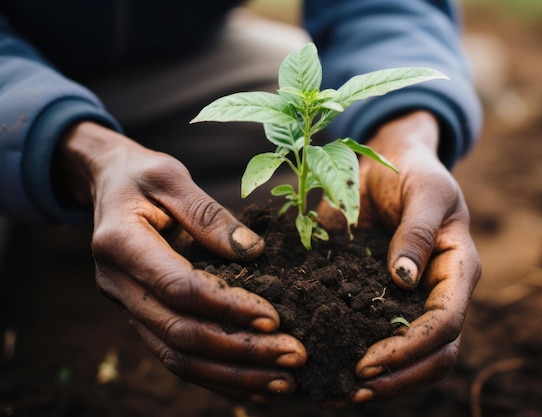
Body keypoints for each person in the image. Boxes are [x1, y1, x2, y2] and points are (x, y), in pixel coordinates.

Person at [0, 0, 482, 405]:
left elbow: (383, 9)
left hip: (179, 59)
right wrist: (62, 140)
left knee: (330, 107)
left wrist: (407, 131)